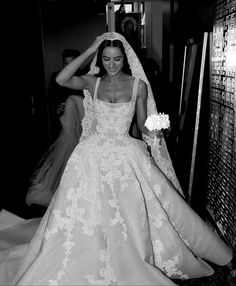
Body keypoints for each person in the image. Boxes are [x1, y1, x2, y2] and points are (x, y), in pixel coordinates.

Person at [0, 32, 232, 285]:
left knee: (128, 212)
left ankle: (125, 256)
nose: (112, 64)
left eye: (117, 59)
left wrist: (156, 130)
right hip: (92, 155)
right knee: (87, 209)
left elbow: (142, 124)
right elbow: (61, 78)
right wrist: (90, 49)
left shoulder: (137, 85)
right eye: (107, 59)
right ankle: (86, 253)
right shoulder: (93, 82)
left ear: (125, 58)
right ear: (102, 58)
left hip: (125, 155)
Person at [48, 49, 84, 142]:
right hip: (61, 120)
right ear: (62, 62)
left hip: (81, 120)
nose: (68, 68)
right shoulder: (55, 76)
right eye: (65, 64)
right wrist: (57, 106)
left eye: (71, 64)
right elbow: (50, 98)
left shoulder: (85, 76)